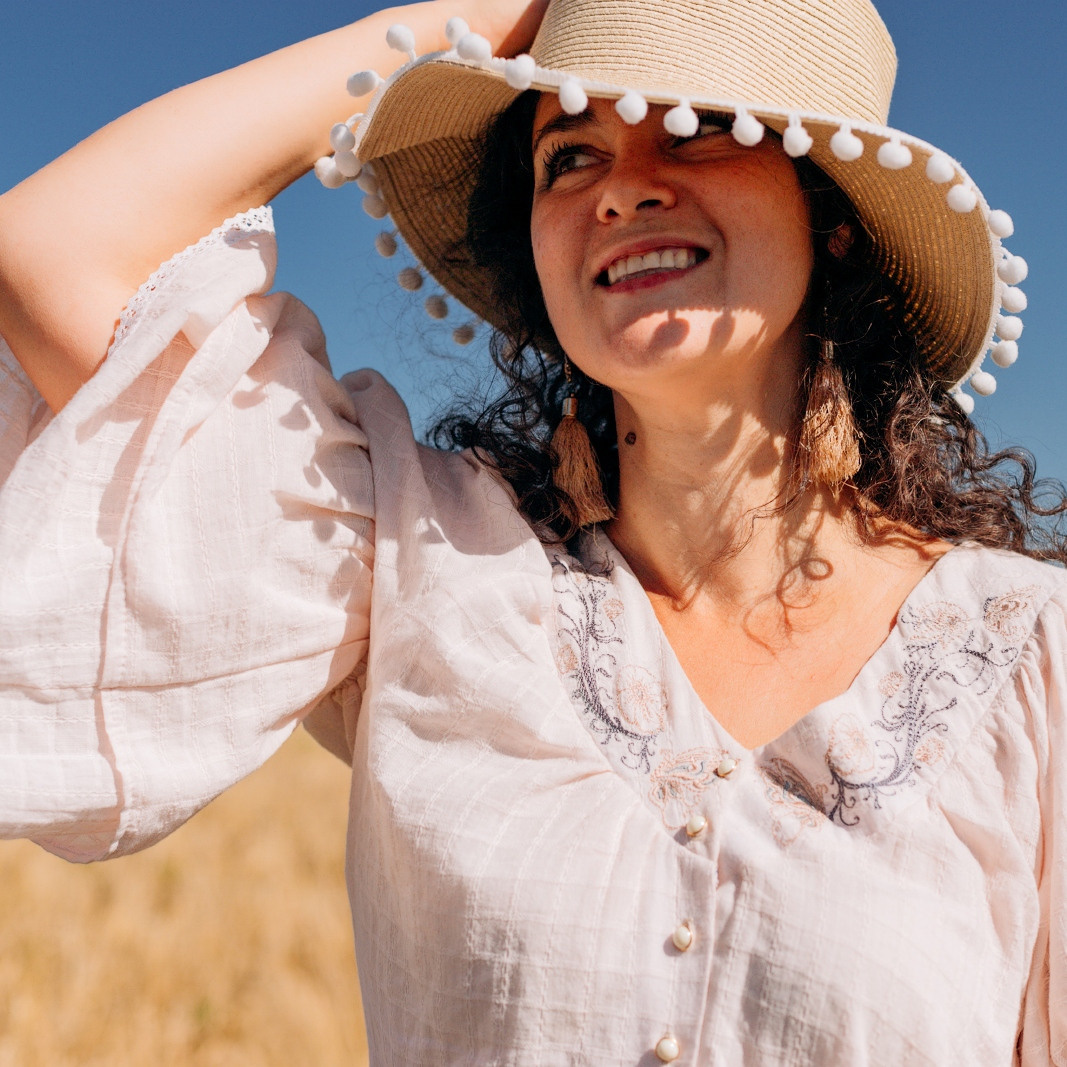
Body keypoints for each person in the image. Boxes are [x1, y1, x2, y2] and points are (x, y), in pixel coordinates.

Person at [0, 0, 1064, 1062]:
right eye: (567, 157)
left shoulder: (1035, 664)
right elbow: (59, 247)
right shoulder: (425, 563)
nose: (621, 187)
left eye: (695, 125)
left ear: (830, 214)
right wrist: (495, 17)